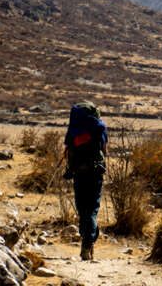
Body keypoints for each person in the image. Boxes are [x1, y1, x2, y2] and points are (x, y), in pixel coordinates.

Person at [63, 101, 107, 261]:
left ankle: (87, 240)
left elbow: (68, 150)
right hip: (95, 173)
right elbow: (104, 149)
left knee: (82, 208)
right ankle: (88, 242)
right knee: (92, 208)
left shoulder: (74, 130)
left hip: (79, 173)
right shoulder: (99, 128)